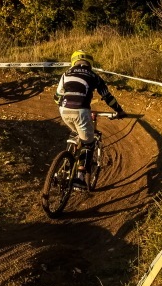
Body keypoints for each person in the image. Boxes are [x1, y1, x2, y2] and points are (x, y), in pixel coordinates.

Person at [54, 50, 126, 187]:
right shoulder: (94, 76)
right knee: (88, 143)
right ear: (90, 63)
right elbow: (107, 97)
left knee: (75, 131)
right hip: (81, 110)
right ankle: (80, 178)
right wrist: (119, 111)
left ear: (73, 61)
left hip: (63, 110)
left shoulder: (65, 74)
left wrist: (65, 103)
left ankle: (65, 164)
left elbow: (56, 97)